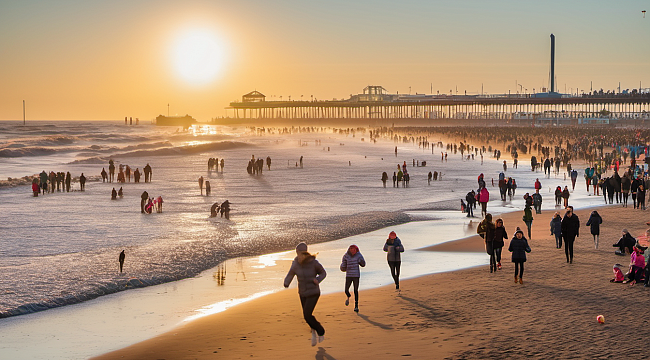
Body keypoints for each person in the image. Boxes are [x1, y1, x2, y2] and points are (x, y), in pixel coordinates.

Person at [283, 242, 327, 346]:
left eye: (298, 252)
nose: (297, 254)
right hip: (302, 293)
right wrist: (286, 282)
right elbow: (290, 273)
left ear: (303, 252)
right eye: (296, 252)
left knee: (307, 315)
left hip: (313, 292)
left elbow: (323, 273)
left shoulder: (313, 263)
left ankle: (321, 331)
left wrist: (318, 279)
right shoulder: (295, 263)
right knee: (307, 316)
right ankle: (313, 332)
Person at [340, 244, 366, 313]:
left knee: (355, 290)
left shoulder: (359, 255)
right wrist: (342, 267)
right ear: (349, 250)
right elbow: (343, 265)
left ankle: (356, 306)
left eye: (354, 249)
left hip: (356, 275)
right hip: (348, 275)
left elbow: (363, 264)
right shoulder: (346, 256)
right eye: (351, 249)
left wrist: (360, 261)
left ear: (356, 250)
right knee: (346, 290)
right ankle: (348, 296)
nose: (352, 251)